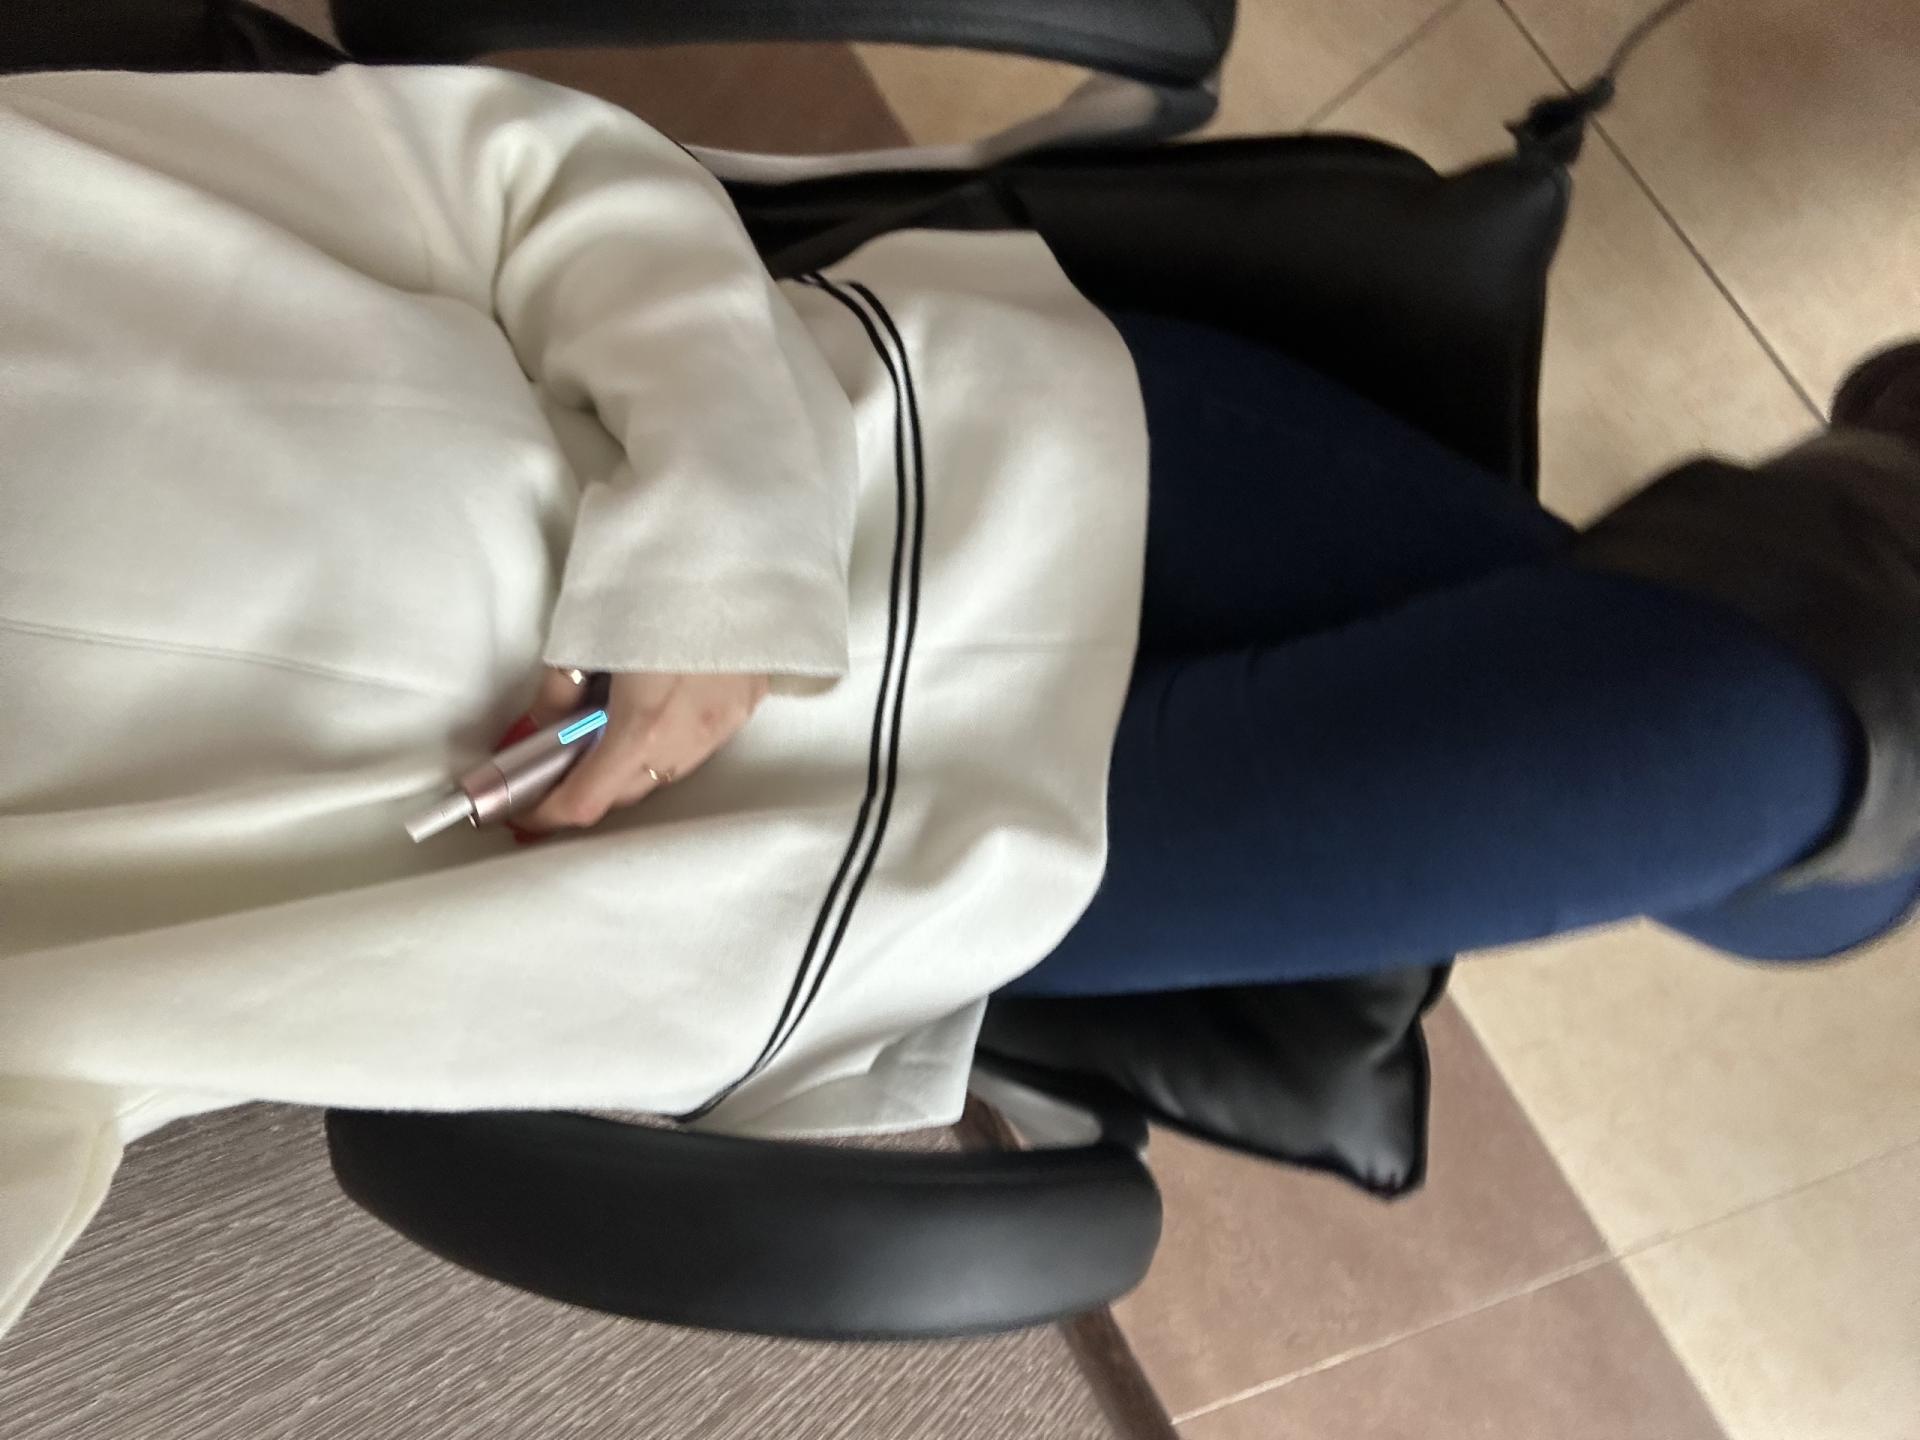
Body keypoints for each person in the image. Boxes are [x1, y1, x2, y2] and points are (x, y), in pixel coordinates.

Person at [4, 11, 1918, 1335]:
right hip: (848, 893)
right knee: (1759, 737)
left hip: (924, 469)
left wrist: (711, 553)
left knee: (1761, 757)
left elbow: (519, 181)